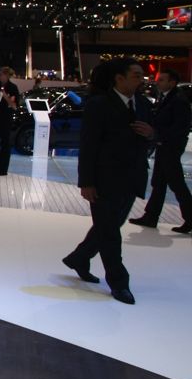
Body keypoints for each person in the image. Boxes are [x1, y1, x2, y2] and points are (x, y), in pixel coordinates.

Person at [62, 58, 153, 304]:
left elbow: (149, 139)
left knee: (108, 226)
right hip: (104, 180)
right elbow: (89, 145)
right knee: (110, 232)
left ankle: (79, 258)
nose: (141, 79)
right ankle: (119, 282)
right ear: (119, 78)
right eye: (136, 74)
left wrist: (151, 134)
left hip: (132, 178)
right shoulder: (99, 105)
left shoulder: (143, 104)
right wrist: (87, 182)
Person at [129, 69, 192, 234]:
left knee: (176, 184)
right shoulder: (168, 98)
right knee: (159, 183)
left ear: (172, 82)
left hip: (170, 146)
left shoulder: (178, 100)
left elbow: (180, 128)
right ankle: (151, 216)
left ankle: (190, 218)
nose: (158, 82)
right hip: (165, 145)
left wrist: (157, 135)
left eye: (162, 80)